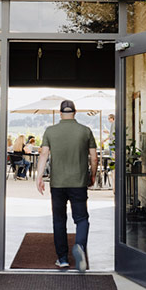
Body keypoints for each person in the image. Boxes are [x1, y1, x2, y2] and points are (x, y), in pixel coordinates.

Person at [36, 99, 98, 272]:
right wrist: (92, 175)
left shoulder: (50, 131)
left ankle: (62, 259)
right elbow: (94, 158)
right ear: (75, 112)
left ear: (60, 113)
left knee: (59, 220)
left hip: (57, 184)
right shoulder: (85, 131)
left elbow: (43, 156)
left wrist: (39, 177)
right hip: (78, 182)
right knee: (81, 219)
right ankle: (79, 247)